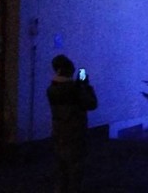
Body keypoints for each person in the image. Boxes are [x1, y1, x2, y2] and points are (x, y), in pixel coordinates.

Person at [47, 55, 98, 193]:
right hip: (75, 134)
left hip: (59, 133)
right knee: (75, 171)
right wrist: (85, 86)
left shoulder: (52, 89)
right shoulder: (75, 89)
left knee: (61, 170)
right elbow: (91, 104)